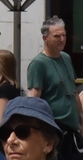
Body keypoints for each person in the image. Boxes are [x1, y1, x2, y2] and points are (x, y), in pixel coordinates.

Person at [25, 16, 79, 148]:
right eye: (57, 36)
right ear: (45, 38)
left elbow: (73, 90)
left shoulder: (66, 58)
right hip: (53, 128)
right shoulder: (38, 63)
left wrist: (82, 120)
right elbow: (34, 99)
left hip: (71, 129)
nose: (62, 39)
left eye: (64, 35)